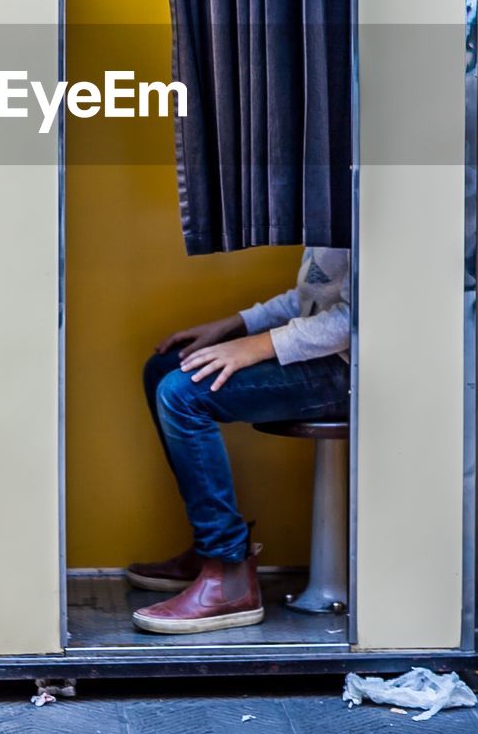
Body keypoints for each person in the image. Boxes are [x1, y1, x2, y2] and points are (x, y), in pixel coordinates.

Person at [127, 247, 350, 635]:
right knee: (164, 369)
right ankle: (210, 546)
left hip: (351, 368)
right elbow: (313, 296)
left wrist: (257, 345)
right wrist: (236, 325)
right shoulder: (327, 196)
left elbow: (360, 317)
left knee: (182, 393)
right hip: (328, 355)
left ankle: (228, 569)